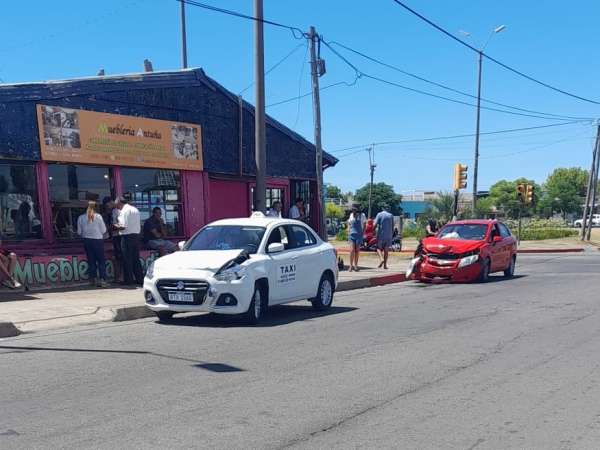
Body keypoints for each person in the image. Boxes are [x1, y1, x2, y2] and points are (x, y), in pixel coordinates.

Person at [77, 201, 108, 287]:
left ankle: (93, 280)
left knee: (91, 261)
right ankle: (102, 280)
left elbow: (79, 232)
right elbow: (104, 230)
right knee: (101, 261)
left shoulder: (81, 217)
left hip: (87, 241)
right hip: (98, 241)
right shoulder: (98, 216)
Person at [115, 194, 143, 286]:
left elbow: (123, 226)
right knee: (136, 259)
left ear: (119, 203)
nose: (117, 207)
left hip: (127, 236)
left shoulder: (124, 211)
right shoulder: (135, 209)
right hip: (136, 236)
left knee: (127, 259)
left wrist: (114, 226)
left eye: (116, 204)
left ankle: (128, 280)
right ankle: (139, 279)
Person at [102, 197, 123, 283]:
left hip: (118, 236)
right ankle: (117, 277)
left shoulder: (117, 211)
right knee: (116, 257)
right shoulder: (113, 212)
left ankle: (120, 277)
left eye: (108, 205)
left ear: (111, 202)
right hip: (115, 236)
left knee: (119, 257)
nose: (108, 207)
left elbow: (120, 224)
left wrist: (111, 227)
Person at [374, 204, 394, 269]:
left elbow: (375, 224)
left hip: (381, 235)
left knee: (378, 248)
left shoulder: (379, 214)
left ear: (383, 208)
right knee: (386, 250)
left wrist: (373, 230)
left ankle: (381, 259)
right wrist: (391, 235)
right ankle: (385, 265)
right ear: (387, 208)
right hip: (389, 235)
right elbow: (392, 226)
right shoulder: (391, 215)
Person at [347, 205, 366, 272]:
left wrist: (363, 234)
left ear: (357, 209)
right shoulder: (351, 215)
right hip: (351, 235)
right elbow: (349, 223)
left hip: (359, 235)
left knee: (357, 251)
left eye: (354, 209)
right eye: (352, 209)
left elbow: (364, 225)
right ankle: (350, 266)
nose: (353, 210)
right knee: (352, 250)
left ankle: (356, 266)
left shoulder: (362, 215)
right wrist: (348, 230)